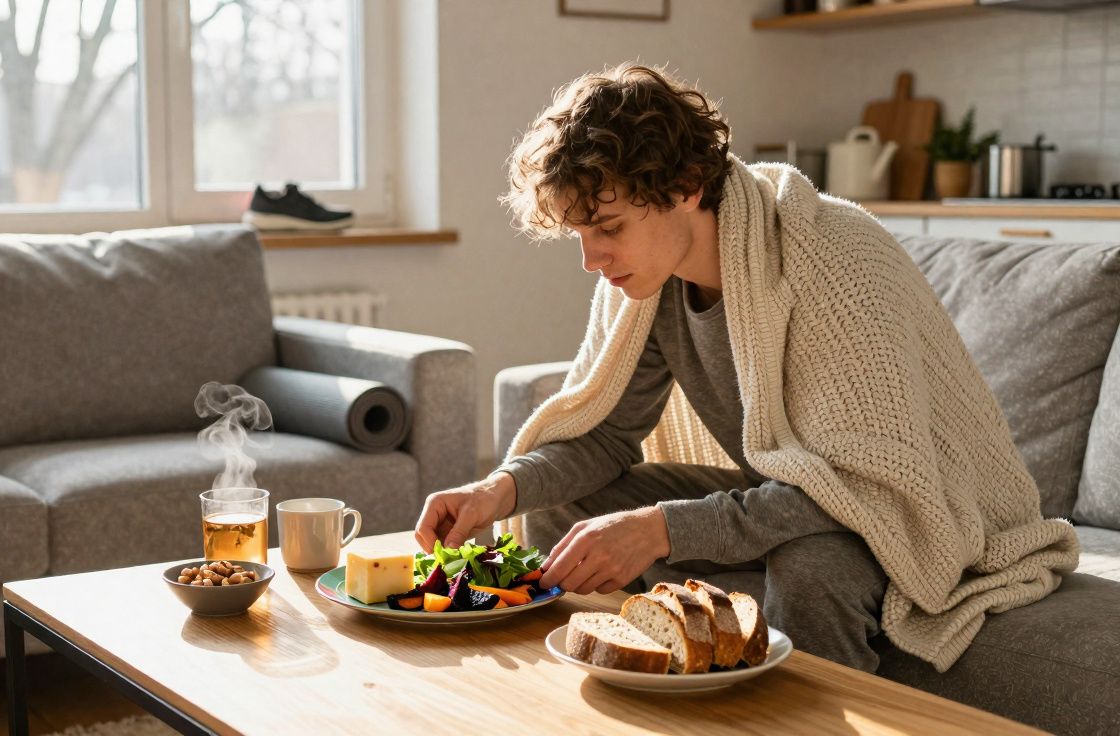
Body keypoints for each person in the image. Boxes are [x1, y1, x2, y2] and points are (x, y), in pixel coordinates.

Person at [414, 63, 1078, 673]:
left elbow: (870, 485)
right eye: (579, 235)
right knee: (567, 505)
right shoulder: (647, 285)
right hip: (804, 486)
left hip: (910, 509)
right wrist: (495, 492)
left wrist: (661, 528)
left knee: (810, 568)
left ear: (684, 186)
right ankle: (625, 692)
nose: (591, 259)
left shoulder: (832, 258)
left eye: (608, 228)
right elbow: (606, 436)